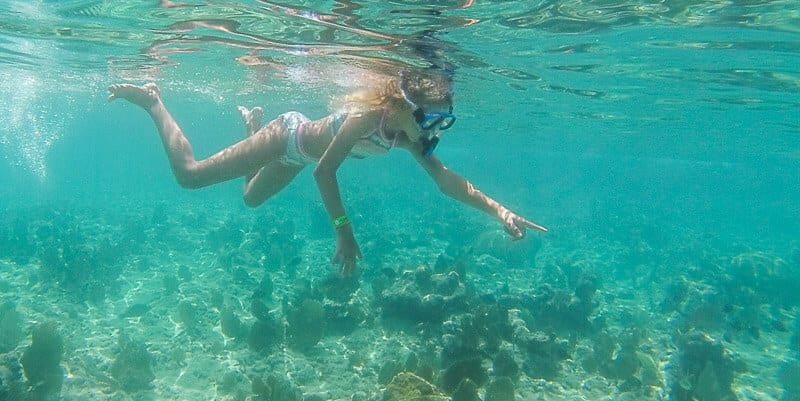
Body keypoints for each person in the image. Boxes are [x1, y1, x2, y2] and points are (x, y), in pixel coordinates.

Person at [108, 71, 546, 275]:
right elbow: (324, 172)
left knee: (249, 199)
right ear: (401, 108)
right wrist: (343, 230)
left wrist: (500, 211)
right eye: (432, 119)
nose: (434, 130)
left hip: (294, 159)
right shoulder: (363, 120)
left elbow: (446, 180)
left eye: (442, 121)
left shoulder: (409, 136)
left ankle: (248, 129)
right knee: (190, 175)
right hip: (288, 136)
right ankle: (153, 101)